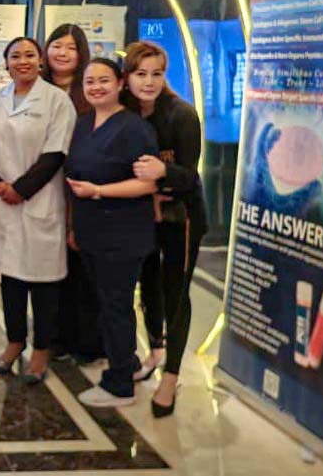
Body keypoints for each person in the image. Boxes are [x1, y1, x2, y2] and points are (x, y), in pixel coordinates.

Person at [0, 37, 76, 382]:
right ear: (6, 63)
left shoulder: (57, 101)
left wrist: (21, 189)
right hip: (3, 202)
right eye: (15, 56)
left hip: (40, 201)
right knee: (11, 278)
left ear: (41, 61)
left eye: (30, 55)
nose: (23, 61)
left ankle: (42, 349)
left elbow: (55, 153)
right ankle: (15, 342)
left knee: (44, 282)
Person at [65, 58, 158, 407]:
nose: (96, 87)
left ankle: (120, 386)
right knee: (107, 305)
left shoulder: (133, 129)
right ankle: (127, 364)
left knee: (116, 307)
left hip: (122, 234)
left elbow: (147, 184)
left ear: (120, 83)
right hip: (92, 231)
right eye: (90, 81)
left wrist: (99, 191)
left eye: (104, 80)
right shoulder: (84, 123)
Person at [122, 41, 207, 417]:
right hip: (143, 215)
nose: (149, 81)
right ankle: (155, 349)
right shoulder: (125, 113)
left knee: (176, 293)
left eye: (156, 73)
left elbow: (189, 176)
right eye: (141, 73)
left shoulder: (182, 115)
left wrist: (163, 171)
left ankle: (172, 376)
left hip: (181, 218)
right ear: (127, 77)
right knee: (148, 285)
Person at [42, 24, 102, 365]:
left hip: (81, 190)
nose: (63, 53)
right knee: (49, 270)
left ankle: (87, 341)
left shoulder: (89, 94)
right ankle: (54, 338)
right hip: (42, 188)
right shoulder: (35, 90)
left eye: (71, 48)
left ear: (82, 55)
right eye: (57, 45)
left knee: (82, 269)